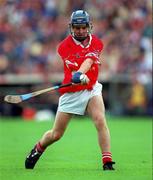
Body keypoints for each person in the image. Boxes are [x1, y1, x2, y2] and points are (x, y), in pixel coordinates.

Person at [25, 10, 115, 170]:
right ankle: (38, 149)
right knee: (56, 134)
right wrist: (79, 75)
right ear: (71, 28)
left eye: (83, 27)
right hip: (72, 92)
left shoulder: (97, 42)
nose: (80, 31)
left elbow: (88, 61)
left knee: (100, 120)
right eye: (77, 27)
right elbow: (75, 72)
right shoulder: (63, 47)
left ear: (89, 27)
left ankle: (107, 162)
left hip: (92, 89)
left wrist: (82, 74)